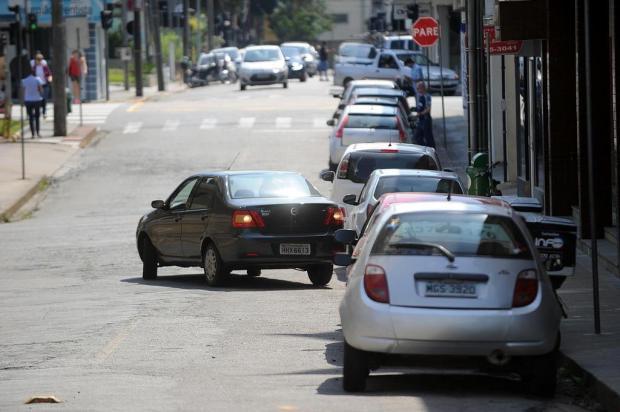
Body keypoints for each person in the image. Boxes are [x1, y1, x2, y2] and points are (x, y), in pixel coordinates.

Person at [22, 70, 43, 138]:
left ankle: (32, 134)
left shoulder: (24, 80)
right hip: (36, 99)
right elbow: (41, 89)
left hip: (28, 100)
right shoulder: (37, 79)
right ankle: (38, 132)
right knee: (37, 117)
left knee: (30, 117)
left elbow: (23, 90)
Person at [413, 81, 435, 148]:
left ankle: (431, 150)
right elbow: (419, 107)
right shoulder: (418, 96)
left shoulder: (427, 96)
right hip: (420, 120)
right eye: (417, 88)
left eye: (418, 88)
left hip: (426, 119)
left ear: (423, 88)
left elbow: (428, 109)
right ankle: (423, 149)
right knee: (417, 137)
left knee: (428, 137)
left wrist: (420, 114)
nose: (417, 90)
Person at [31, 53, 52, 119]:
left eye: (41, 59)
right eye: (38, 59)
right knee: (37, 100)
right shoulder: (34, 68)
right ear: (35, 60)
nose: (39, 61)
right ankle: (37, 112)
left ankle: (44, 112)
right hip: (37, 86)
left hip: (44, 85)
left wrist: (50, 79)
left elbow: (49, 74)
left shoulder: (45, 67)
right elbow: (31, 76)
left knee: (44, 99)